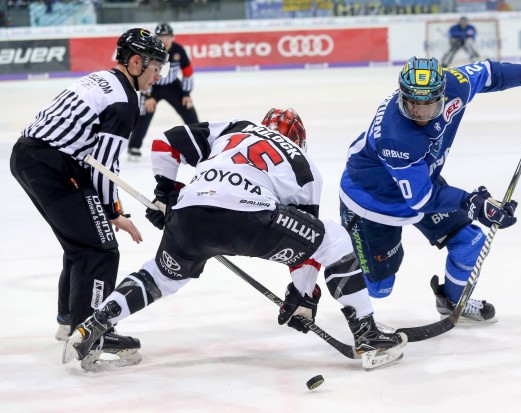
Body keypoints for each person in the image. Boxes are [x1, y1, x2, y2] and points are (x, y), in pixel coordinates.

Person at [62, 108, 407, 371]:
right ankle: (368, 335)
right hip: (252, 218)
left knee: (161, 276)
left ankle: (94, 324)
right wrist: (303, 296)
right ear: (299, 138)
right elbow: (307, 248)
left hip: (188, 215)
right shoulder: (304, 164)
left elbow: (165, 142)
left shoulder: (236, 129)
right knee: (334, 238)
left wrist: (166, 193)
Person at [339, 56, 521, 322]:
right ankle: (332, 269)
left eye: (429, 107)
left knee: (471, 242)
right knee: (380, 288)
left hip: (421, 181)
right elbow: (422, 199)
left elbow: (488, 73)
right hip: (372, 199)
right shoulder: (396, 136)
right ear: (403, 97)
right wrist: (472, 203)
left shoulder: (454, 85)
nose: (420, 115)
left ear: (442, 92)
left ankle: (452, 301)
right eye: (413, 106)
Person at [10, 28, 169, 358]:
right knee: (101, 250)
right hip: (52, 166)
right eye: (156, 68)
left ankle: (69, 322)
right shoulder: (125, 101)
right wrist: (114, 213)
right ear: (137, 63)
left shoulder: (101, 79)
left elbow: (92, 160)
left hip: (30, 156)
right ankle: (90, 332)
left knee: (81, 243)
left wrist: (107, 208)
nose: (158, 76)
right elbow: (104, 168)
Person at [127, 22, 198, 160]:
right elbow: (143, 74)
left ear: (172, 37)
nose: (164, 40)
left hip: (173, 86)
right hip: (152, 86)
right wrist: (148, 96)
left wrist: (186, 94)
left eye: (167, 37)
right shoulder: (150, 51)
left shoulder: (179, 51)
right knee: (143, 114)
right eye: (160, 37)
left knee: (190, 112)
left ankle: (200, 139)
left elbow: (187, 72)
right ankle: (134, 147)